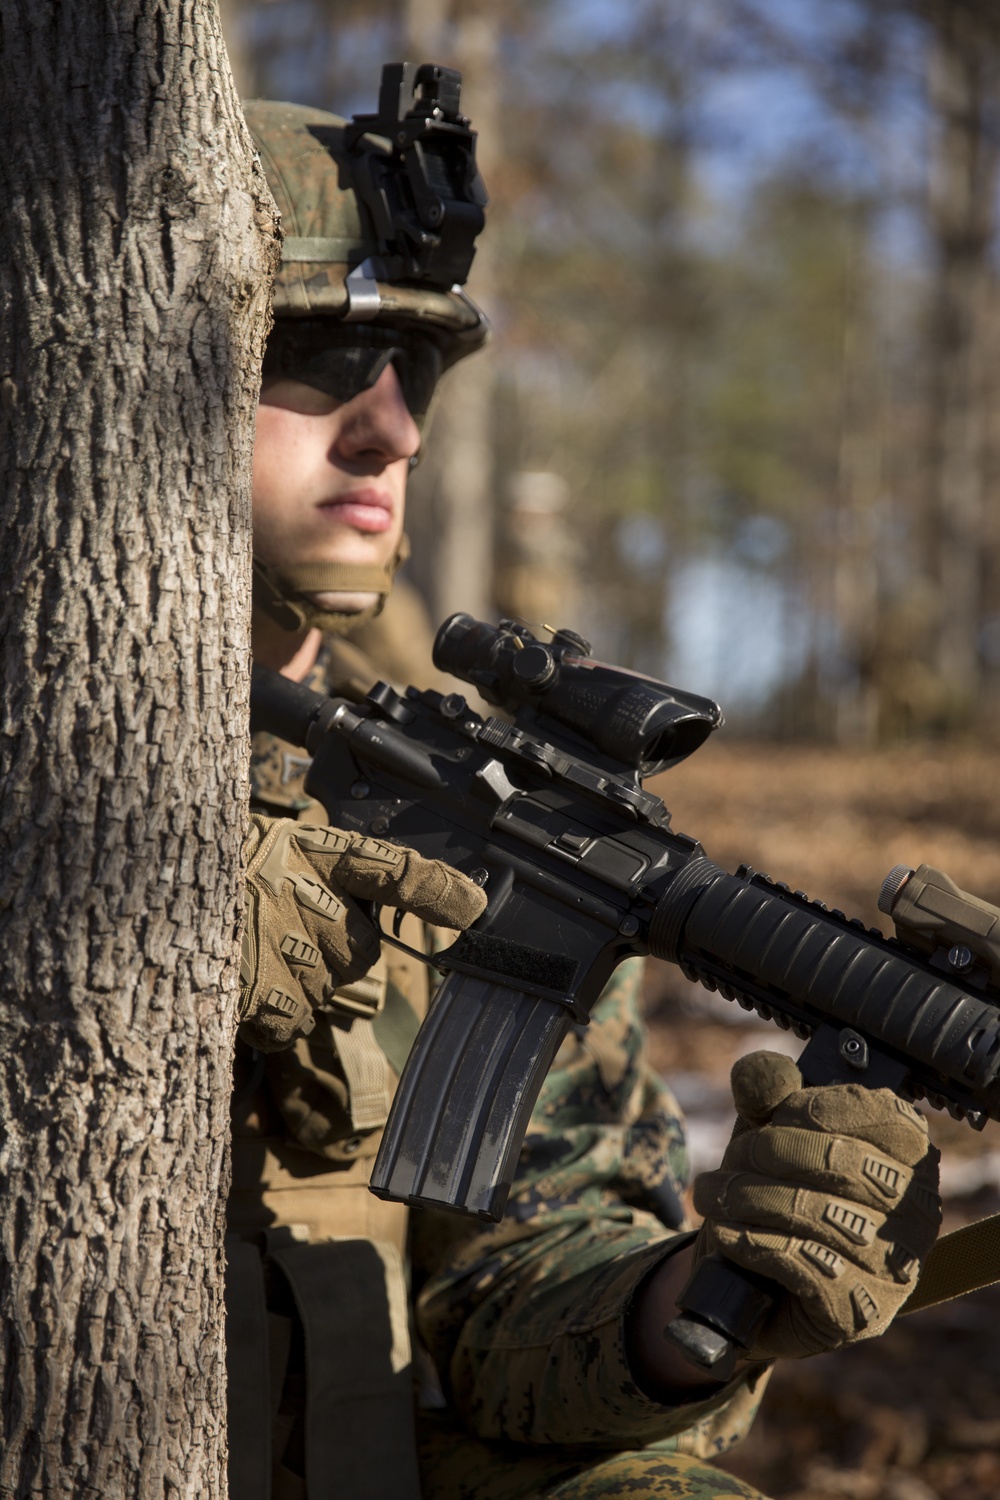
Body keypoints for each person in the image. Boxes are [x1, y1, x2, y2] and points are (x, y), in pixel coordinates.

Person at [230, 69, 942, 1500]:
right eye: (310, 359)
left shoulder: (471, 806)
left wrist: (694, 1306)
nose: (391, 429)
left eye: (416, 370)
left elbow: (514, 1288)